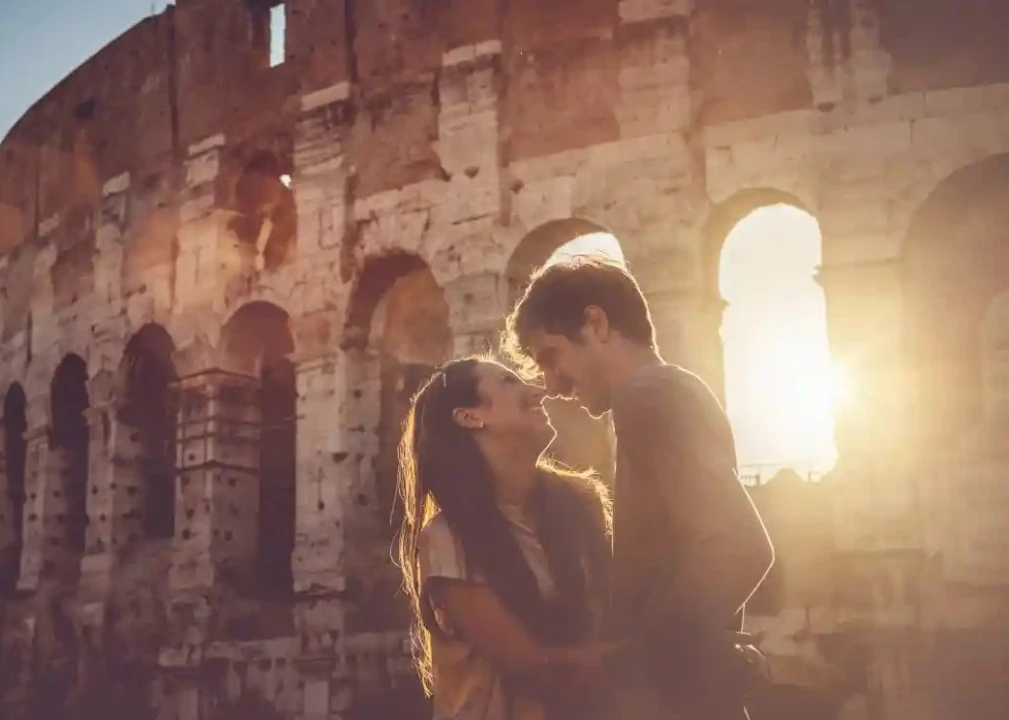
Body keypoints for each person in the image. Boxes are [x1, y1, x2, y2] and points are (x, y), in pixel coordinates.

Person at [501, 255, 775, 720]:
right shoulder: (673, 389)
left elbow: (738, 545)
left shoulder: (646, 394)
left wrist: (625, 663)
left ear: (596, 324)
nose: (552, 385)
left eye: (551, 356)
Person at [396, 356, 613, 720]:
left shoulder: (582, 502)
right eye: (508, 382)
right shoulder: (449, 538)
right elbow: (528, 664)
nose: (538, 390)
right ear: (469, 417)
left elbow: (608, 611)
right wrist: (643, 653)